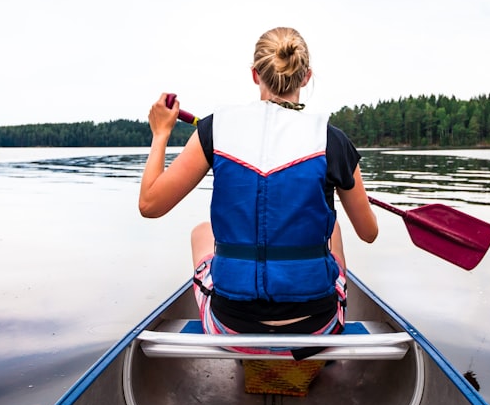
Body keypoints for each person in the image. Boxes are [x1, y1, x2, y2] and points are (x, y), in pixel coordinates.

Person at [138, 27, 378, 355]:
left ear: (255, 75)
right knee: (333, 228)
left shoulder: (213, 129)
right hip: (317, 328)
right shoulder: (332, 139)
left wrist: (160, 133)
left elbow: (150, 204)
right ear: (305, 77)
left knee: (201, 233)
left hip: (231, 330)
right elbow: (368, 233)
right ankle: (316, 355)